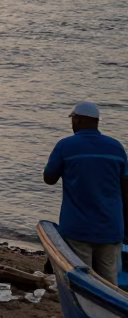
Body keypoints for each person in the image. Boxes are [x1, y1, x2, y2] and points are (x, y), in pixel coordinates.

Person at [44, 102, 128, 283]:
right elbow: (125, 189)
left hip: (78, 229)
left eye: (73, 119)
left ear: (78, 119)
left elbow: (49, 178)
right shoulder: (117, 147)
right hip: (111, 229)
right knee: (108, 286)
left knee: (82, 282)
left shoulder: (65, 146)